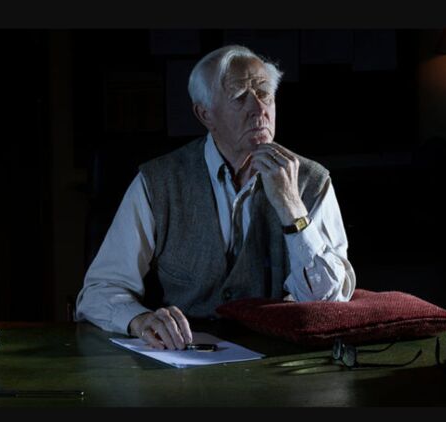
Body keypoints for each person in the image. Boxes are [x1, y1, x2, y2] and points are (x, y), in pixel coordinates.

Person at [75, 45, 355, 350]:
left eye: (265, 94)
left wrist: (292, 208)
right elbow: (99, 291)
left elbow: (329, 302)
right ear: (205, 114)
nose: (259, 108)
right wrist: (140, 320)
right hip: (186, 357)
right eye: (240, 96)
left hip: (278, 356)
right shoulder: (158, 182)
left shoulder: (312, 181)